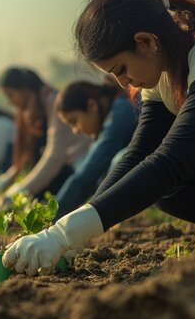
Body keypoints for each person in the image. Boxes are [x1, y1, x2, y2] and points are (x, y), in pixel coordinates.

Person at [3, 0, 195, 276]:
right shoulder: (164, 71)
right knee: (166, 188)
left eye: (121, 69)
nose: (123, 83)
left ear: (146, 41)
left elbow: (176, 156)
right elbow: (139, 154)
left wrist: (64, 233)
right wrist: (73, 228)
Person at [0, 67, 91, 205]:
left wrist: (20, 191)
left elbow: (54, 156)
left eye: (11, 95)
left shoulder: (53, 102)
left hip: (77, 165)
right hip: (63, 168)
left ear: (25, 89)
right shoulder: (29, 113)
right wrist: (6, 182)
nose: (10, 102)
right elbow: (23, 160)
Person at [54, 80, 139, 218]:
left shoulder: (119, 113)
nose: (75, 130)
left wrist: (54, 215)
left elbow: (91, 170)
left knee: (119, 160)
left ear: (92, 105)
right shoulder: (112, 115)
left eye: (74, 121)